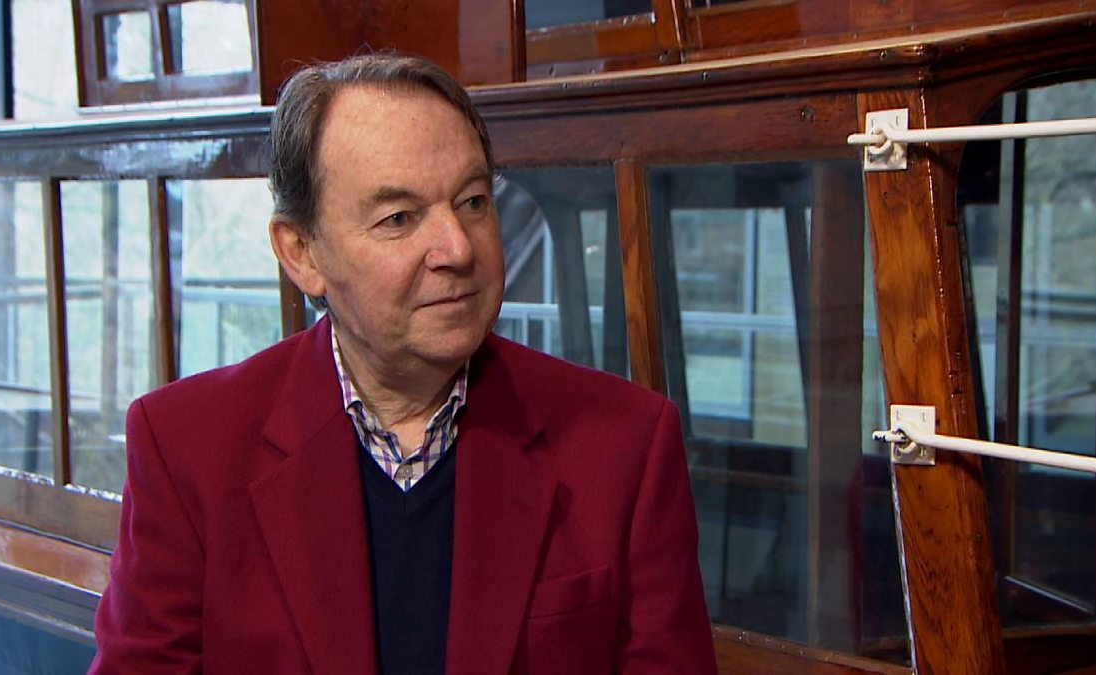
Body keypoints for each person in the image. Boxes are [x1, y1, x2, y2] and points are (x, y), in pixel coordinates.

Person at [91, 53, 715, 674]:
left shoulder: (627, 445)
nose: (457, 248)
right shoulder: (185, 449)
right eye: (398, 218)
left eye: (473, 201)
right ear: (302, 252)